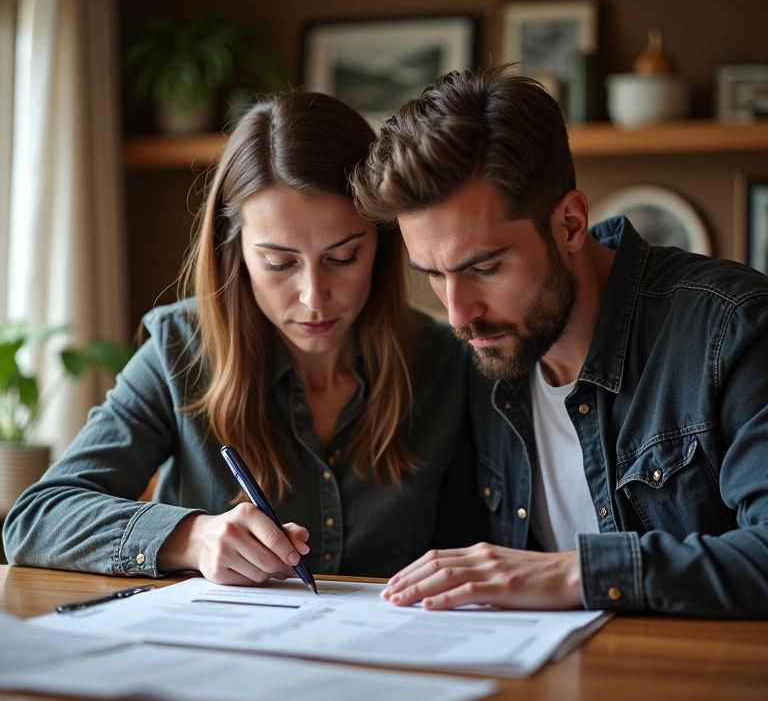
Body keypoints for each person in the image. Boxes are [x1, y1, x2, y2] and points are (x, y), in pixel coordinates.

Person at [3, 90, 488, 584]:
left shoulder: (447, 361)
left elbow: (479, 551)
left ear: (383, 244)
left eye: (343, 258)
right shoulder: (181, 350)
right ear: (236, 252)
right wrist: (192, 537)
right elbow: (36, 519)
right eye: (279, 263)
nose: (314, 298)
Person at [351, 65, 768, 618]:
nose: (458, 314)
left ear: (570, 223)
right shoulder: (484, 357)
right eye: (432, 273)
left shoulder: (731, 328)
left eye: (488, 267)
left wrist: (577, 571)